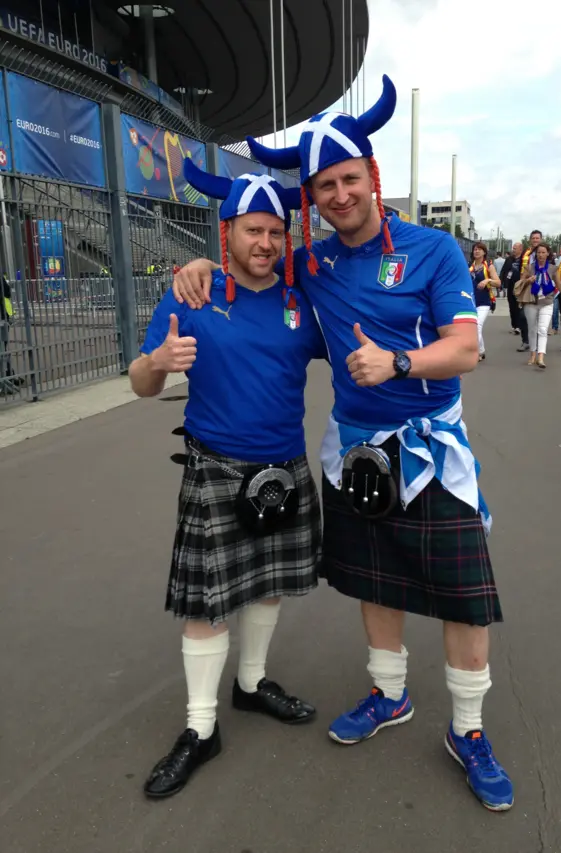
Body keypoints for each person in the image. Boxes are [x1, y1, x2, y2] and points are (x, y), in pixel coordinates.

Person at [173, 75, 514, 812]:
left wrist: (398, 362)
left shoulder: (435, 251)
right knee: (372, 583)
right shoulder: (311, 263)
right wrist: (198, 265)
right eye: (323, 184)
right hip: (352, 449)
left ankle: (470, 730)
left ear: (372, 177)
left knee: (464, 600)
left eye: (348, 177)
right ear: (314, 197)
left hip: (429, 449)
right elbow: (249, 264)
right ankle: (389, 695)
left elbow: (465, 352)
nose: (337, 193)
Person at [130, 166, 326, 799]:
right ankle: (200, 728)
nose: (265, 242)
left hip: (284, 467)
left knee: (267, 588)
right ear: (228, 231)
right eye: (252, 230)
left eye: (274, 231)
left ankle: (251, 685)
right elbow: (141, 381)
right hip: (215, 468)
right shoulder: (192, 295)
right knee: (208, 606)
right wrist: (158, 364)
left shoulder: (302, 301)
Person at [515, 243, 561, 368]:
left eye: (543, 252)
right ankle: (532, 354)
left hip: (547, 302)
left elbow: (559, 284)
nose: (541, 255)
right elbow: (520, 283)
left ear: (547, 254)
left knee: (543, 329)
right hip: (531, 302)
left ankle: (541, 357)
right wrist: (528, 280)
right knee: (533, 330)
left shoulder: (552, 268)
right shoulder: (529, 268)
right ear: (535, 254)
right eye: (538, 252)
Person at [469, 242, 500, 361]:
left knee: (477, 326)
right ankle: (481, 350)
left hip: (485, 302)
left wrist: (487, 280)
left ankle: (477, 352)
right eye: (475, 249)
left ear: (484, 252)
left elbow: (498, 282)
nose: (476, 251)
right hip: (471, 301)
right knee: (472, 327)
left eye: (479, 249)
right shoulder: (470, 266)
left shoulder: (488, 266)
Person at [501, 242, 525, 335]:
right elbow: (504, 271)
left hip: (520, 286)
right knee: (512, 306)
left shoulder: (523, 259)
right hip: (510, 285)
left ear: (520, 249)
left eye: (515, 248)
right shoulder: (509, 259)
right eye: (513, 248)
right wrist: (502, 283)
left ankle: (519, 326)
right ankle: (514, 325)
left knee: (519, 306)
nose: (513, 250)